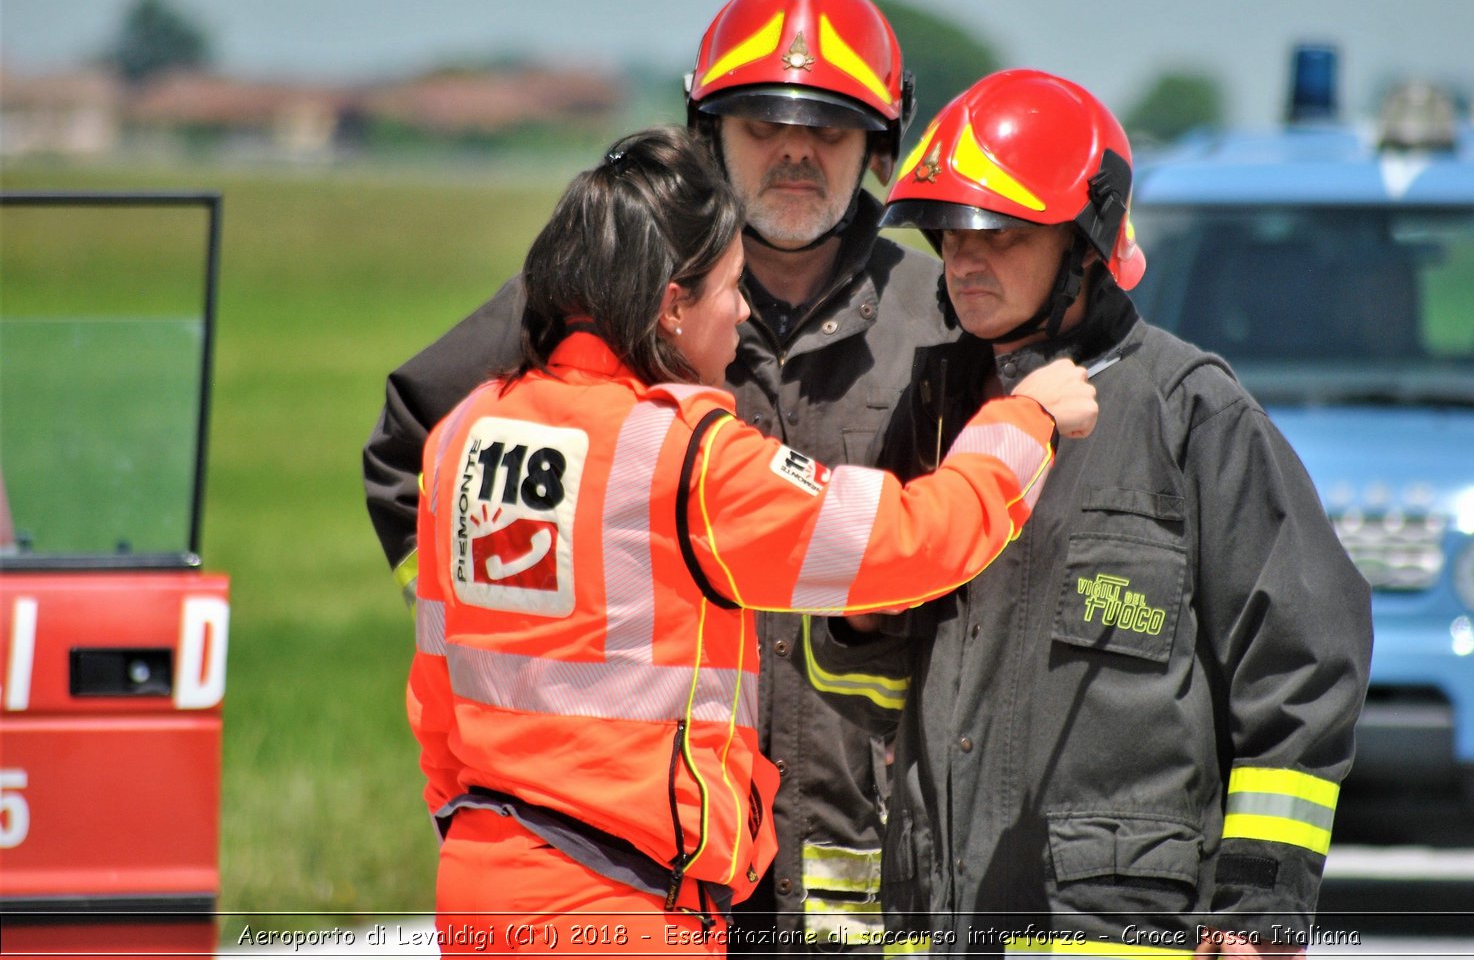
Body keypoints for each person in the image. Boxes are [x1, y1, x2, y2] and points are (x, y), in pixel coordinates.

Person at [365, 0, 953, 949]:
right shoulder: (592, 293)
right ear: (709, 133)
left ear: (880, 144)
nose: (796, 155)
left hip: (863, 834)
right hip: (637, 858)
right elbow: (413, 450)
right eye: (766, 128)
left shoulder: (935, 324)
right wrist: (523, 621)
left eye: (830, 132)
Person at [406, 126, 1099, 955]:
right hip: (621, 902)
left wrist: (472, 826)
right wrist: (1027, 421)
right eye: (731, 287)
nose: (741, 311)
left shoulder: (466, 429)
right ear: (670, 304)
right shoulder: (684, 454)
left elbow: (438, 685)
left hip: (480, 878)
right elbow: (910, 544)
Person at [806, 70, 1373, 957]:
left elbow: (1302, 661)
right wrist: (861, 617)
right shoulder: (935, 407)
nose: (964, 259)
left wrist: (1262, 905)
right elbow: (865, 668)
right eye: (951, 233)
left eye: (1000, 232)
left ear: (1086, 242)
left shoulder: (1189, 411)